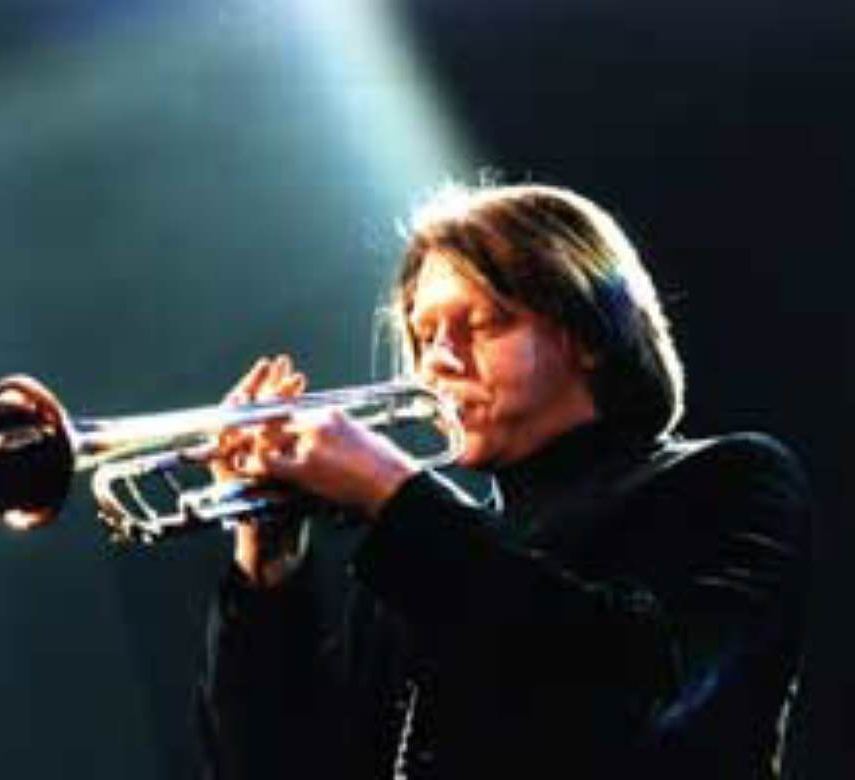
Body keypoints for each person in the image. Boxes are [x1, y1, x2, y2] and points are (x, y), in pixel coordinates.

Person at [194, 183, 812, 779]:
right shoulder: (407, 562)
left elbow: (646, 694)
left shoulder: (731, 481)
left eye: (483, 324)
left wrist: (393, 492)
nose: (439, 360)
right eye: (425, 335)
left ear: (588, 334)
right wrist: (266, 569)